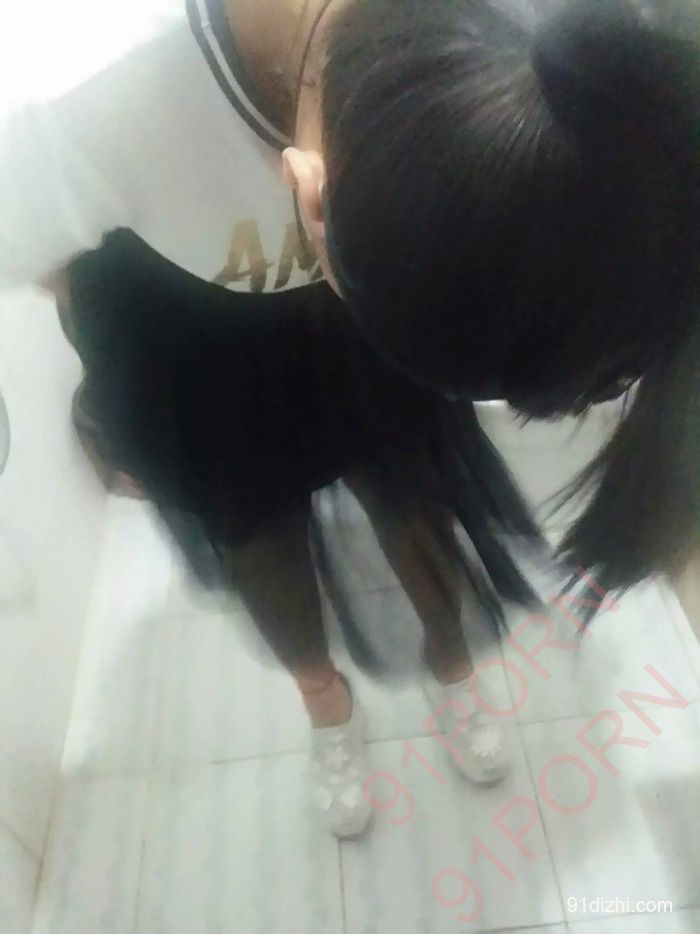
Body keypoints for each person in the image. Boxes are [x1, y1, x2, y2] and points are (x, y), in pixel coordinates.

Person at [3, 0, 699, 838]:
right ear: (306, 192)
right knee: (260, 543)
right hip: (187, 340)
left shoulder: (554, 58)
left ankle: (451, 668)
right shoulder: (73, 98)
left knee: (418, 503)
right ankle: (326, 704)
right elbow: (48, 264)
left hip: (370, 301)